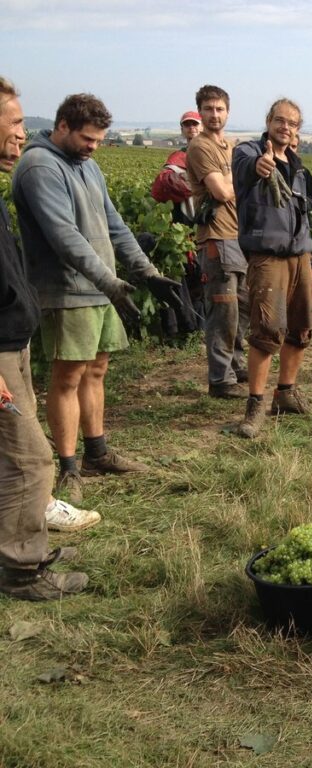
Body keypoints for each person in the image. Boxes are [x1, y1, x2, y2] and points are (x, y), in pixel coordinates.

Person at [11, 92, 183, 506]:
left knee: (96, 371)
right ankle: (69, 467)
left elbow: (116, 226)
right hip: (67, 290)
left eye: (100, 140)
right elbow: (65, 239)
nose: (94, 146)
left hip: (100, 286)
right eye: (88, 138)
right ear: (63, 126)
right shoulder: (39, 166)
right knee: (68, 377)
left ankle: (98, 452)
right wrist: (110, 282)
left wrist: (146, 272)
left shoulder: (88, 166)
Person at [1, 77, 97, 602]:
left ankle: (21, 546)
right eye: (15, 121)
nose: (23, 132)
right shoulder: (39, 169)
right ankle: (23, 571)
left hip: (12, 342)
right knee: (29, 459)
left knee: (14, 457)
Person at [232, 99, 312, 439]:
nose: (286, 127)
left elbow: (304, 217)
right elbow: (245, 171)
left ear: (298, 129)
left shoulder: (298, 167)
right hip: (267, 254)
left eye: (293, 123)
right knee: (267, 329)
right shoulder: (248, 153)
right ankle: (255, 404)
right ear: (268, 121)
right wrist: (261, 165)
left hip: (299, 254)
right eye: (280, 120)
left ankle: (285, 393)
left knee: (300, 327)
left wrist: (310, 262)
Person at [185, 84, 250, 399]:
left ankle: (237, 365)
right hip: (216, 238)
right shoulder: (200, 148)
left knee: (242, 309)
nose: (214, 114)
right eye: (208, 109)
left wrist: (232, 182)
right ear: (200, 112)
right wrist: (239, 182)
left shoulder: (230, 147)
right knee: (222, 311)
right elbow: (222, 193)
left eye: (219, 109)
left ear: (228, 111)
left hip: (239, 236)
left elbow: (232, 187)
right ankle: (220, 379)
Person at [150, 110, 204, 335]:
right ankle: (192, 326)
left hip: (212, 225)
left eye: (195, 124)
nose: (191, 128)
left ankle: (204, 325)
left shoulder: (213, 151)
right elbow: (164, 185)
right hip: (185, 226)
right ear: (183, 130)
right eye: (187, 125)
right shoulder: (177, 158)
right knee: (193, 277)